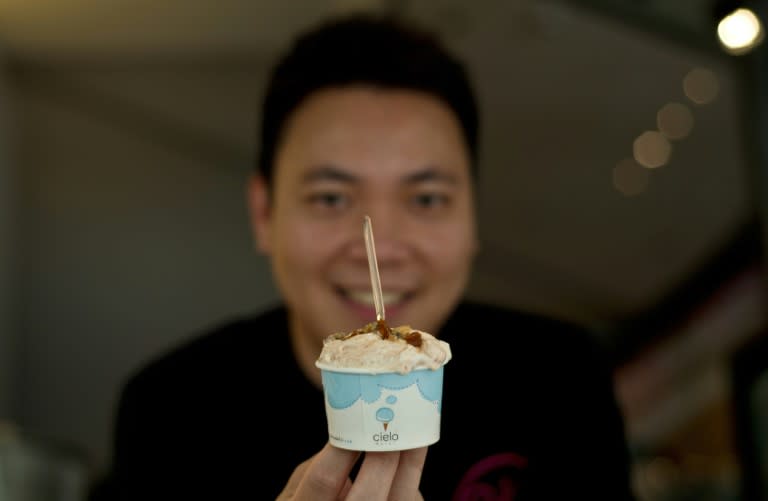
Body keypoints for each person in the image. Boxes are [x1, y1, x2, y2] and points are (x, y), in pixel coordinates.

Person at [89, 12, 636, 501]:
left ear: (474, 215)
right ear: (264, 213)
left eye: (426, 199)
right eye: (331, 198)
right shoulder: (170, 410)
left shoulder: (562, 381)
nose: (384, 246)